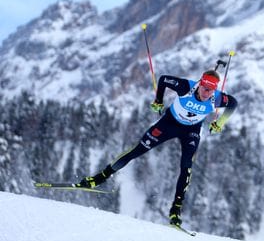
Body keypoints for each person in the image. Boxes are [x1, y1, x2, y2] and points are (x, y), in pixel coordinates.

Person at [77, 69, 237, 226]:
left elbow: (233, 103)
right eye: (204, 88)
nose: (206, 92)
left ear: (214, 90)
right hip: (169, 123)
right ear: (200, 83)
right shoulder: (186, 87)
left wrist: (220, 123)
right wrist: (159, 100)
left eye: (210, 90)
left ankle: (176, 209)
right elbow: (163, 80)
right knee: (137, 150)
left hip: (191, 131)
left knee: (186, 166)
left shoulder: (216, 99)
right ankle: (99, 178)